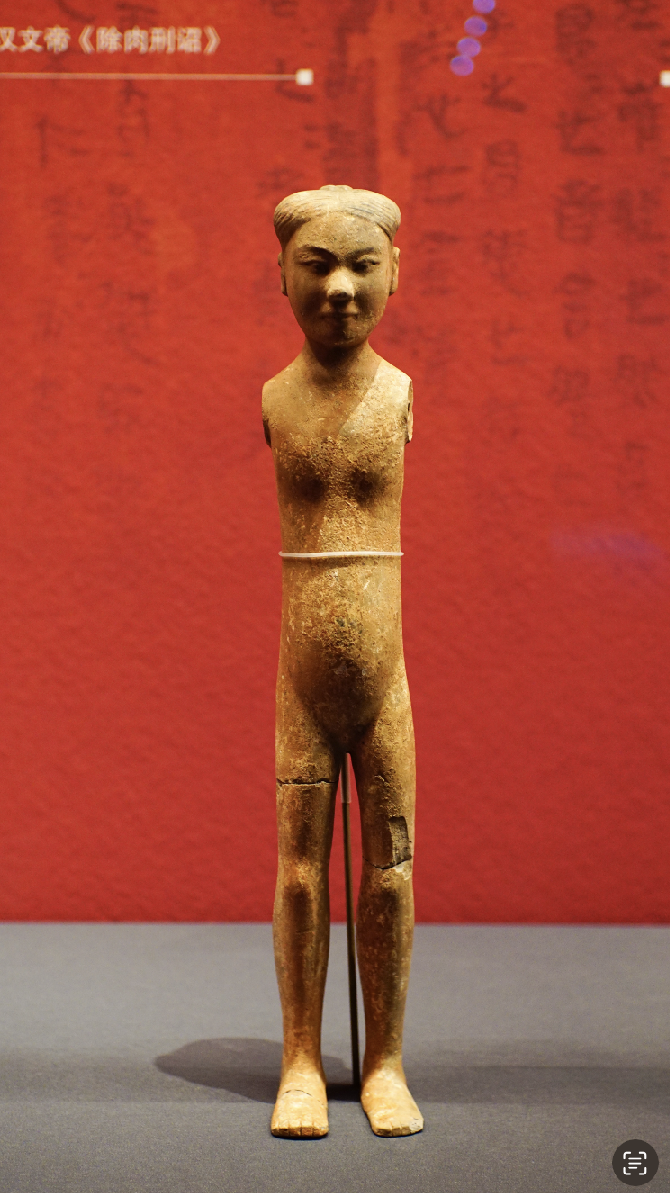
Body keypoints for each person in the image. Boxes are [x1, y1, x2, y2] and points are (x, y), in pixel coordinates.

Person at [262, 185, 422, 1139]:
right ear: (279, 275)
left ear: (395, 274)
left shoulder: (397, 393)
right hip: (303, 678)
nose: (340, 290)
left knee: (391, 869)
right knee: (297, 873)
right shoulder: (276, 397)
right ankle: (299, 1060)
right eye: (315, 266)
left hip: (383, 677)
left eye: (363, 266)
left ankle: (385, 1061)